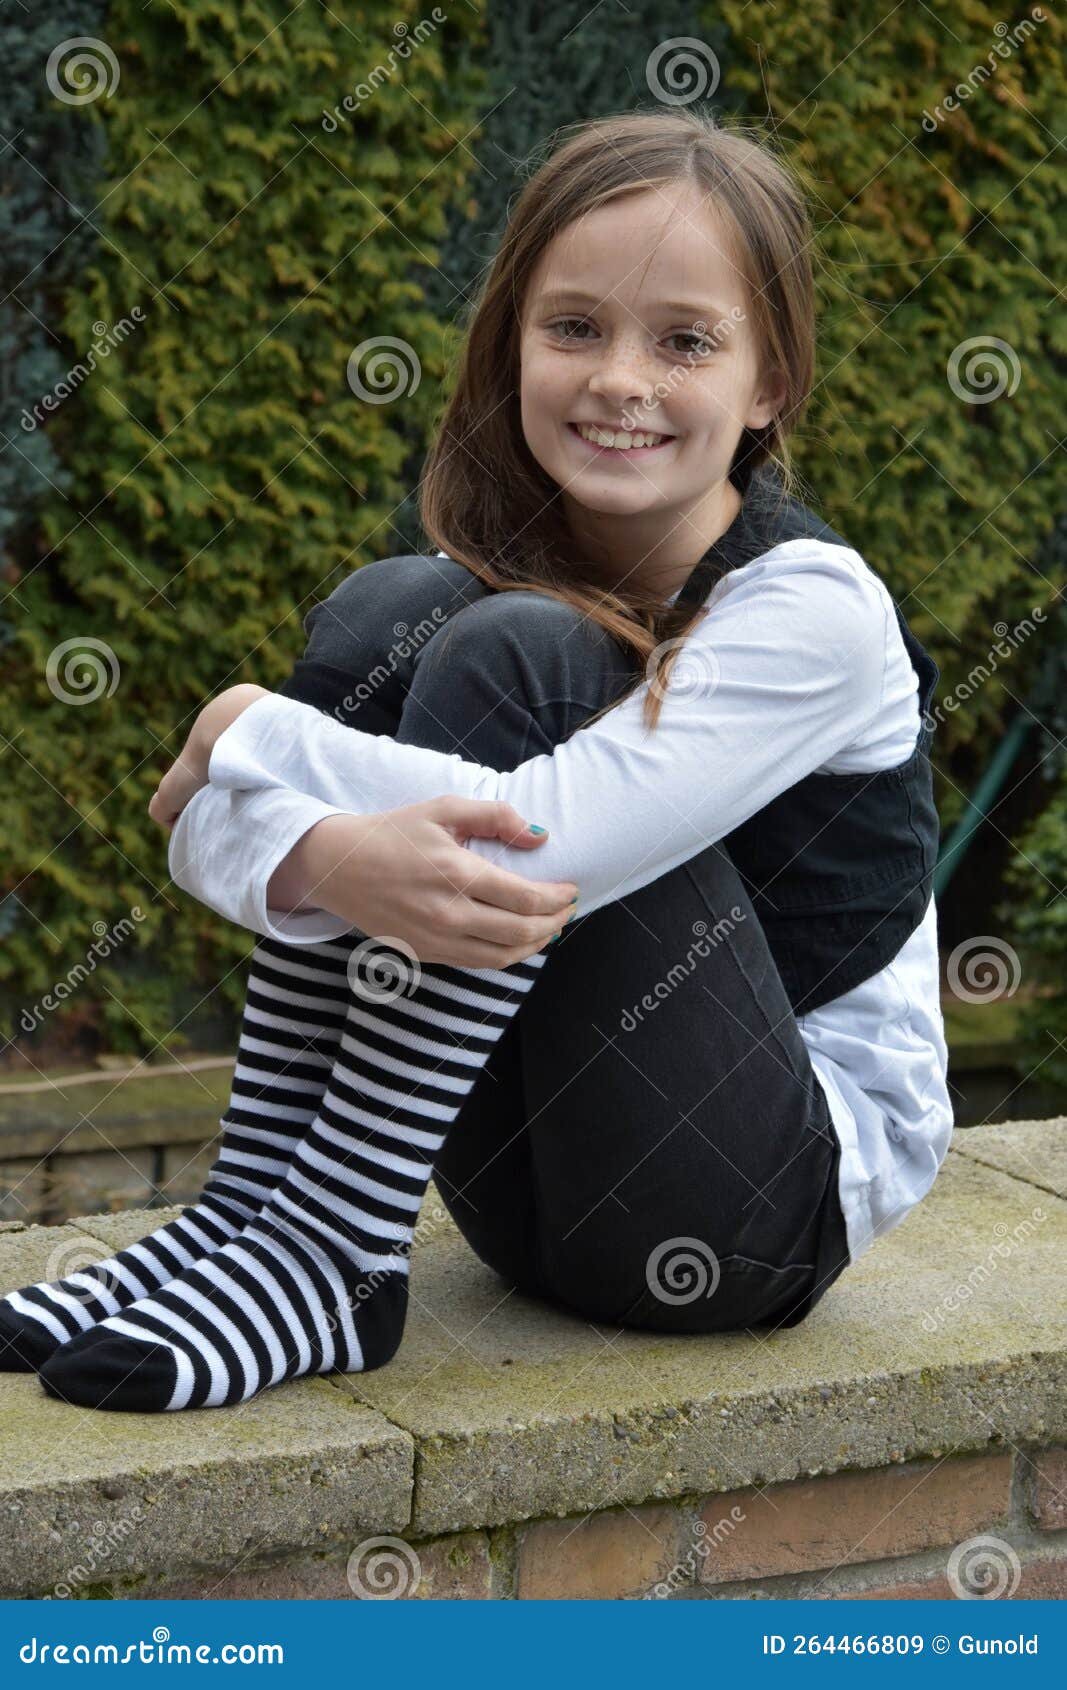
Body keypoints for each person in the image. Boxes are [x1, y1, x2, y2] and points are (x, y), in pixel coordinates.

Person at [1, 109, 953, 1413]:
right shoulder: (485, 589)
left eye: (685, 341)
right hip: (519, 1182)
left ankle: (332, 1256)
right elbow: (203, 833)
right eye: (573, 328)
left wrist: (254, 738)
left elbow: (539, 838)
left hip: (751, 1209)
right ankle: (261, 1216)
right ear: (513, 344)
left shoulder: (816, 612)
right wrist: (317, 831)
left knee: (519, 659)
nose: (620, 378)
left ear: (771, 382)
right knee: (388, 617)